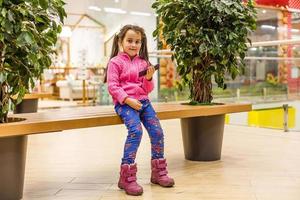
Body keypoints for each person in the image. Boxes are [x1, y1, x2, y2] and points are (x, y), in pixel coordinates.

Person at [105, 24, 174, 196]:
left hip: (144, 102)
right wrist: (128, 100)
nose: (134, 45)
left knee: (157, 132)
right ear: (121, 41)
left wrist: (149, 78)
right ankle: (126, 177)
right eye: (129, 41)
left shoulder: (144, 62)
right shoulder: (115, 62)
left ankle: (158, 173)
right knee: (136, 131)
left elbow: (148, 88)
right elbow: (113, 86)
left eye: (137, 42)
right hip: (125, 104)